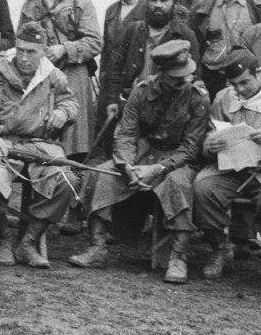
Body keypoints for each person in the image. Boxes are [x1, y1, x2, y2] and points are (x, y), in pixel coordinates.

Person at [70, 40, 209, 284]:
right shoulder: (141, 91)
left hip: (178, 160)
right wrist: (126, 166)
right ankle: (97, 247)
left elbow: (190, 148)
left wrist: (159, 169)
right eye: (176, 77)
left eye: (186, 75)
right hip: (141, 155)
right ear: (161, 73)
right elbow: (126, 134)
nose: (184, 81)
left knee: (177, 184)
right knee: (101, 174)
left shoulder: (198, 98)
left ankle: (178, 257)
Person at [0, 22, 79, 267]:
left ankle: (28, 242)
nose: (23, 58)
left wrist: (63, 112)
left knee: (67, 182)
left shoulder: (52, 75)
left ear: (43, 51)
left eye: (31, 52)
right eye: (20, 50)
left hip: (39, 145)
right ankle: (3, 237)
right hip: (0, 145)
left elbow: (70, 102)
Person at [192, 48, 261, 285]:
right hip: (232, 165)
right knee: (203, 188)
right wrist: (211, 145)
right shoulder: (224, 97)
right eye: (233, 84)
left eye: (244, 82)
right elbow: (211, 133)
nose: (239, 89)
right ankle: (220, 247)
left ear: (258, 73)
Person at [19, 0, 101, 159]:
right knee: (39, 137)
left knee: (74, 139)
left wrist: (65, 49)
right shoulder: (32, 3)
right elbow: (21, 39)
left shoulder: (80, 1)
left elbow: (95, 41)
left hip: (73, 75)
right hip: (41, 77)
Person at [102, 0, 199, 110]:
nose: (158, 5)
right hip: (133, 102)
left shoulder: (185, 35)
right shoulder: (133, 30)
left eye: (164, 0)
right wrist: (113, 100)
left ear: (174, 4)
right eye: (154, 0)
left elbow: (194, 74)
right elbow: (116, 68)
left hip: (168, 106)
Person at [99, 0, 148, 128]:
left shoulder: (147, 9)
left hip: (132, 86)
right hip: (109, 86)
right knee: (106, 131)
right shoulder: (111, 11)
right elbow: (106, 49)